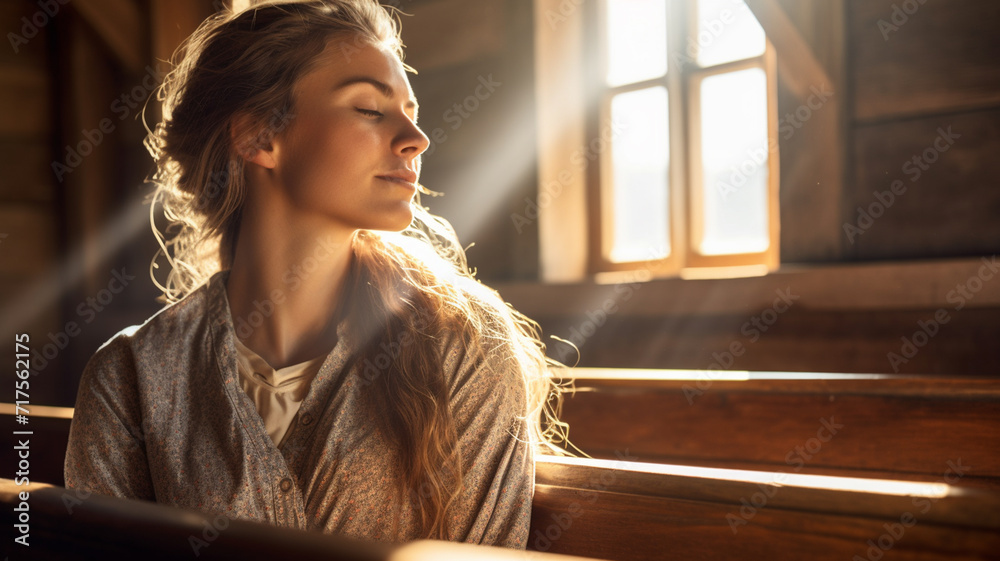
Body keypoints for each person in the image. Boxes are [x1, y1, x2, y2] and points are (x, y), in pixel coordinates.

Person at [64, 0, 571, 548]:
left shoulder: (465, 348)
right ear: (260, 139)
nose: (416, 139)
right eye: (371, 110)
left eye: (412, 112)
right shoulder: (130, 377)